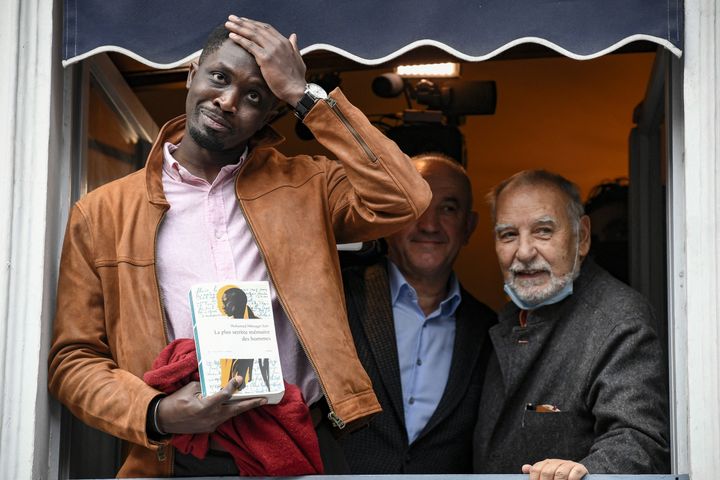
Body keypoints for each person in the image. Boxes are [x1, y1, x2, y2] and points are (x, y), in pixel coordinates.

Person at [48, 16, 431, 478]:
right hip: (178, 455)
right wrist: (158, 412)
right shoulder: (102, 212)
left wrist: (304, 95)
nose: (228, 102)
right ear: (191, 73)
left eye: (254, 97)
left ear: (272, 113)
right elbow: (73, 361)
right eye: (219, 77)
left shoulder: (309, 185)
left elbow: (406, 198)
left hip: (300, 440)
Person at [473, 170, 670, 480]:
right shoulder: (504, 318)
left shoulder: (617, 317)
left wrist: (586, 471)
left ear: (583, 237)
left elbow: (640, 440)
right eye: (508, 234)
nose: (524, 252)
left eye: (543, 231)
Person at [340, 153, 496, 473]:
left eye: (448, 209)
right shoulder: (338, 299)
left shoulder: (491, 331)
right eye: (416, 205)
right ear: (389, 217)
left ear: (469, 227)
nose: (429, 224)